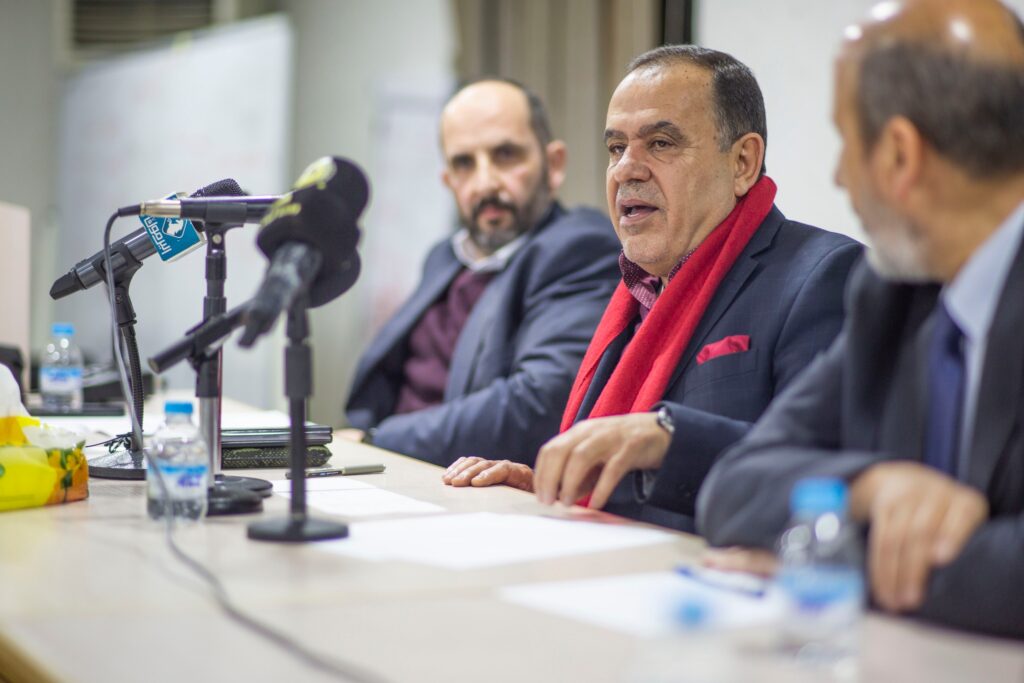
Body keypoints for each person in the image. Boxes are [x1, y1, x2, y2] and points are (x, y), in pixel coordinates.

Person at [697, 0, 1024, 640]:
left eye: (845, 141)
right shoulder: (894, 292)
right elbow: (733, 488)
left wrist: (830, 563)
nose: (839, 176)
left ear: (900, 155)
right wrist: (870, 487)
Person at [444, 46, 861, 531]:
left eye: (660, 143)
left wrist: (669, 439)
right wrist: (549, 489)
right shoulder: (634, 291)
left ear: (743, 162)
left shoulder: (824, 275)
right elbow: (636, 475)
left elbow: (827, 469)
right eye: (616, 148)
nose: (626, 168)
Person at [345, 79, 621, 467]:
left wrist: (377, 439)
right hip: (388, 464)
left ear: (554, 165)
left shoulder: (579, 247)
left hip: (460, 478)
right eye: (464, 163)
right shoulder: (444, 258)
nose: (485, 183)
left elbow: (538, 404)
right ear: (448, 181)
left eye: (505, 155)